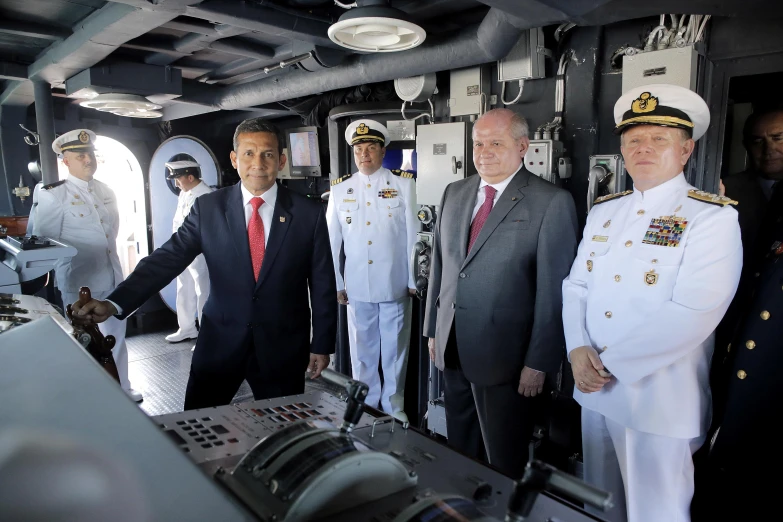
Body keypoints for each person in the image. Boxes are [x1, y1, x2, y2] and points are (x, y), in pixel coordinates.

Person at [561, 84, 743, 522]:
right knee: (599, 505)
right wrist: (576, 349)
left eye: (659, 139)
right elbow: (576, 285)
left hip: (658, 401)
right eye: (633, 141)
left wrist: (607, 366)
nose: (644, 148)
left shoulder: (711, 218)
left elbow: (695, 311)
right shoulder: (605, 211)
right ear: (622, 152)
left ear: (685, 150)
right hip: (593, 390)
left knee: (657, 514)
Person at [71, 118, 336, 410]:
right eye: (248, 153)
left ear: (282, 160)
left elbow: (323, 282)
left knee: (283, 430)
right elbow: (167, 259)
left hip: (282, 346)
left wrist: (322, 344)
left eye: (268, 154)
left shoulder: (308, 213)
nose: (258, 162)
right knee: (197, 422)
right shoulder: (209, 208)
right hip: (219, 343)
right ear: (234, 159)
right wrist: (114, 303)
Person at [423, 108, 578, 479]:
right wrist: (433, 328)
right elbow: (442, 267)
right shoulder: (455, 192)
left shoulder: (549, 202)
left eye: (496, 143)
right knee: (460, 447)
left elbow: (554, 291)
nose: (484, 152)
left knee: (503, 460)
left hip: (507, 359)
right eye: (478, 143)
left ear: (523, 146)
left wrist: (539, 361)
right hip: (453, 346)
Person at [34, 129, 142, 403]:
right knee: (84, 340)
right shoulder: (53, 195)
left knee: (116, 335)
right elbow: (43, 241)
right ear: (66, 161)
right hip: (79, 281)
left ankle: (122, 387)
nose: (88, 160)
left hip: (112, 275)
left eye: (90, 154)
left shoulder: (105, 190)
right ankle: (92, 397)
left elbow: (112, 233)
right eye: (80, 155)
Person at [326, 119, 417, 423]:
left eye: (371, 148)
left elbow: (414, 235)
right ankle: (366, 404)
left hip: (394, 283)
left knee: (394, 351)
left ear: (382, 151)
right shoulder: (341, 190)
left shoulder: (403, 184)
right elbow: (331, 242)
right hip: (357, 286)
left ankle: (394, 406)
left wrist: (413, 278)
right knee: (361, 351)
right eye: (359, 149)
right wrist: (337, 282)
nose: (364, 154)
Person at [163, 161, 213, 344]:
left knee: (203, 292)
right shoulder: (185, 194)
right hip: (182, 250)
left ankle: (206, 335)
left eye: (178, 179)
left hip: (200, 253)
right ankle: (187, 328)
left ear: (190, 177)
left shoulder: (207, 195)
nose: (176, 184)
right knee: (184, 287)